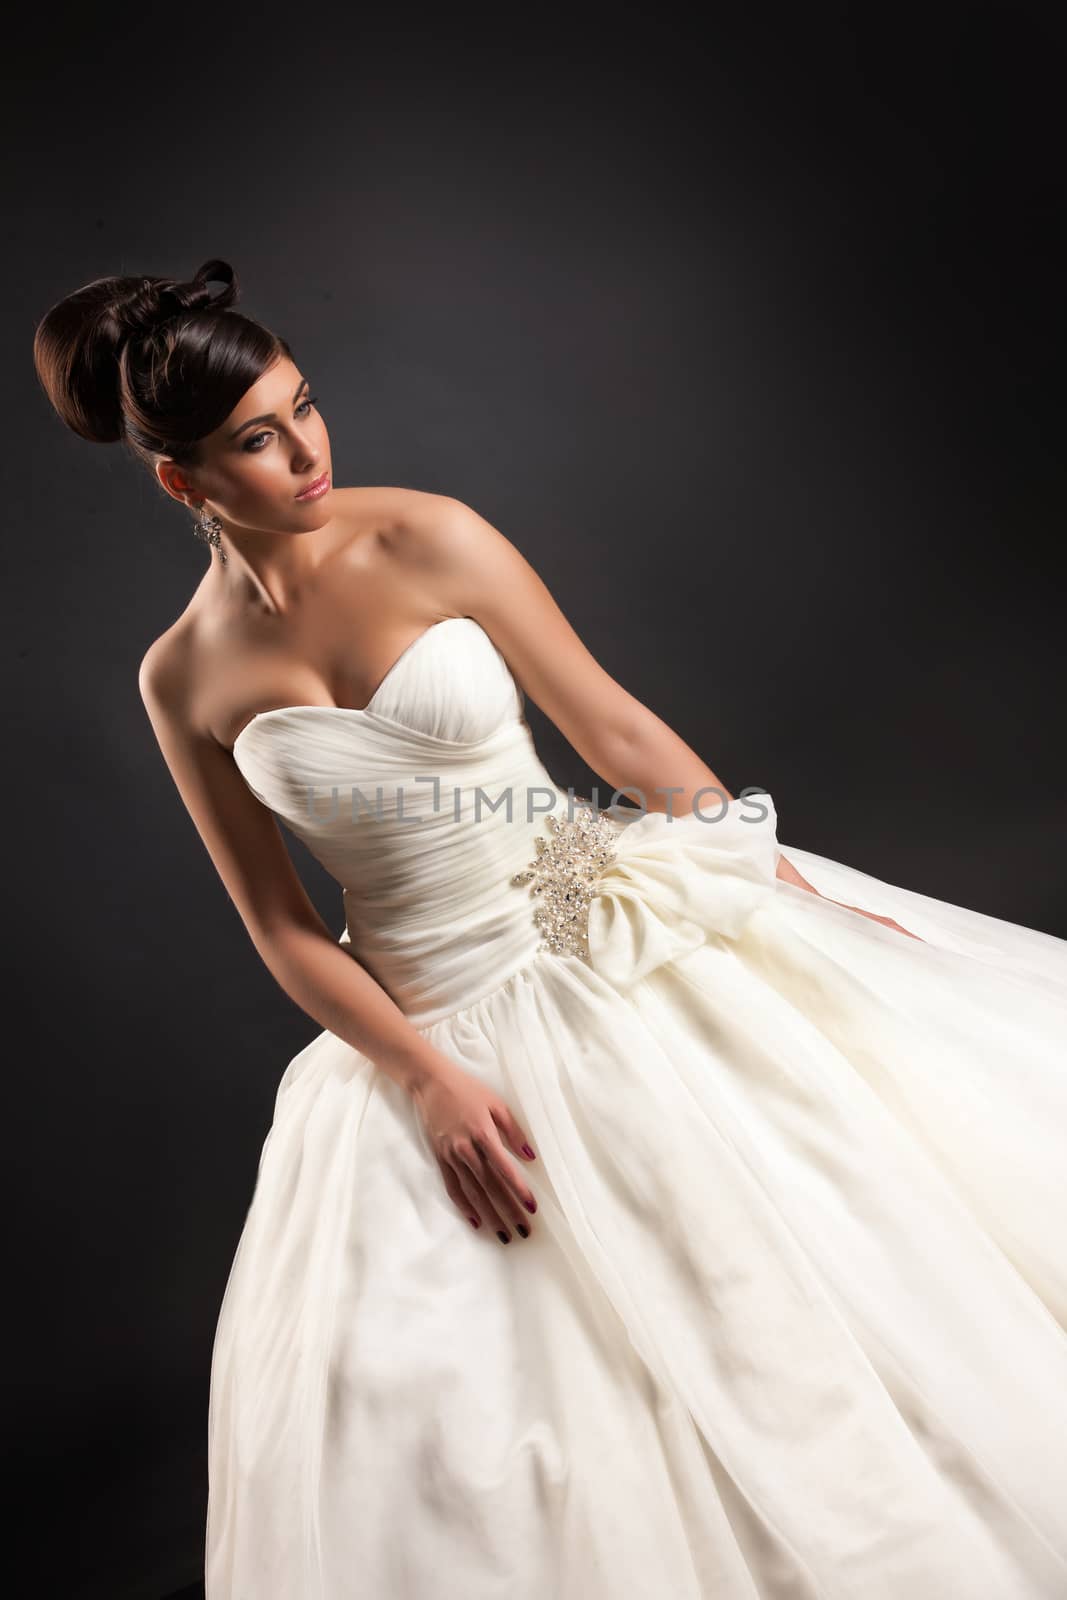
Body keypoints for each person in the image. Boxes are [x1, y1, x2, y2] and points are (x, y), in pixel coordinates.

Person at [33, 258, 1067, 1600]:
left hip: (599, 931)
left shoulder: (432, 538)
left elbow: (615, 729)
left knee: (805, 1296)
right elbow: (283, 929)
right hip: (428, 1026)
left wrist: (778, 884)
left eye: (306, 408)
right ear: (184, 480)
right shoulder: (182, 677)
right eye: (256, 440)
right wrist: (429, 1078)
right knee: (457, 1427)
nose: (305, 455)